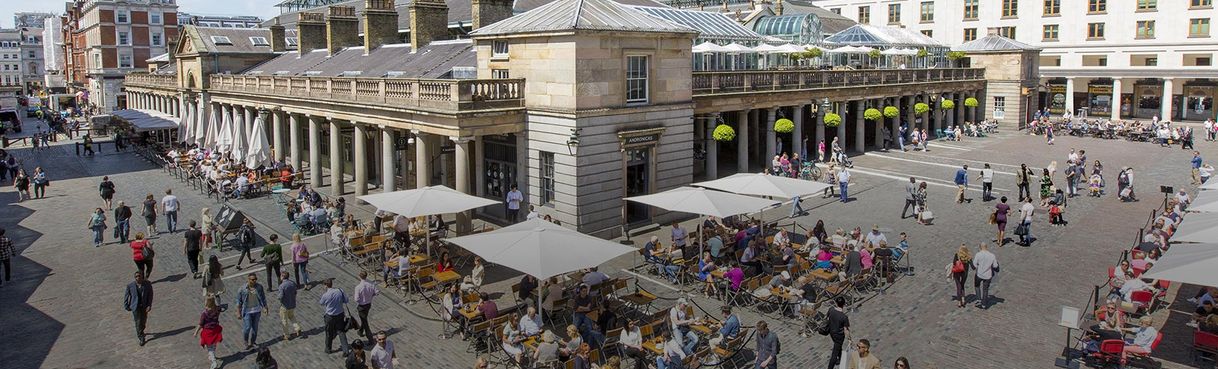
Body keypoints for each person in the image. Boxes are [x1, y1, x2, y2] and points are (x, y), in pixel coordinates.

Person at [320, 278, 352, 354]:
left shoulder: (325, 295)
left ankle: (328, 349)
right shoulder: (339, 291)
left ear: (325, 286)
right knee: (341, 332)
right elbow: (346, 300)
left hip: (330, 316)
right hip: (340, 315)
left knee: (329, 333)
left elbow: (321, 303)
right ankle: (346, 350)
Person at [236, 274, 267, 350]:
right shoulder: (242, 289)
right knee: (247, 327)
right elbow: (238, 301)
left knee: (255, 329)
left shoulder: (259, 287)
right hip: (247, 311)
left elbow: (263, 298)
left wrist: (265, 307)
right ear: (248, 279)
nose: (254, 281)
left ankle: (252, 342)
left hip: (257, 310)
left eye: (255, 279)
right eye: (252, 279)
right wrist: (238, 312)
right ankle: (246, 341)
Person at [123, 271, 154, 346]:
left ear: (142, 277)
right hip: (135, 307)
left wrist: (149, 305)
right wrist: (126, 305)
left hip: (144, 306)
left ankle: (141, 330)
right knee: (138, 322)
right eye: (136, 276)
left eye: (139, 276)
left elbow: (150, 295)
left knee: (143, 321)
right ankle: (141, 337)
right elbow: (126, 296)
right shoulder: (130, 286)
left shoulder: (147, 284)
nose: (138, 278)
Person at [194, 296, 224, 369]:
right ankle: (212, 355)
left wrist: (196, 332)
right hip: (215, 329)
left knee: (209, 347)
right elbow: (221, 309)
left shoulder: (204, 313)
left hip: (208, 332)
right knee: (213, 344)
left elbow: (200, 324)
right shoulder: (217, 309)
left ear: (206, 303)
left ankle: (214, 362)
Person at [355, 271, 380, 341]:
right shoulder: (371, 284)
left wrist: (361, 301)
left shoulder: (358, 287)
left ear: (360, 276)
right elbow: (377, 292)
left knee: (365, 322)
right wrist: (371, 296)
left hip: (362, 306)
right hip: (368, 304)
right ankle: (360, 331)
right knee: (364, 318)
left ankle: (370, 338)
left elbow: (356, 299)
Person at [972, 243, 999, 309]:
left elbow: (974, 265)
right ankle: (984, 304)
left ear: (980, 247)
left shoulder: (978, 254)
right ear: (986, 247)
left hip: (979, 274)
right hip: (988, 275)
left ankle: (978, 299)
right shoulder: (992, 255)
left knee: (977, 286)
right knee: (985, 289)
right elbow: (995, 266)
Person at [826, 297, 850, 369]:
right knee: (834, 353)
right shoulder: (844, 317)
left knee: (838, 346)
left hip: (831, 332)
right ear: (844, 304)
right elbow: (846, 330)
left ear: (836, 303)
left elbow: (827, 317)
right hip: (839, 336)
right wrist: (849, 339)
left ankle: (840, 358)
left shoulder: (831, 310)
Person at [278, 271, 303, 340]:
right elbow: (295, 292)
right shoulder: (292, 283)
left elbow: (280, 296)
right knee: (291, 316)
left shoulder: (282, 286)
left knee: (284, 320)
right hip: (292, 304)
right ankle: (297, 328)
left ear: (282, 277)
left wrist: (278, 298)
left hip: (284, 306)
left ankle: (287, 335)